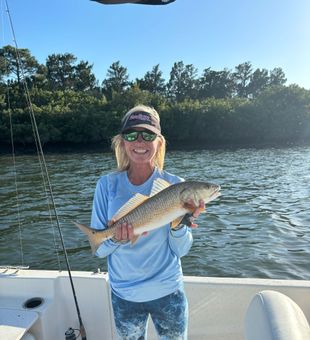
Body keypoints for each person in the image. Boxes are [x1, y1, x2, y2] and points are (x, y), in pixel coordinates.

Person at [91, 105, 204, 339]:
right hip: (125, 294)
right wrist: (117, 240)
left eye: (148, 134)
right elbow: (100, 251)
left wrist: (179, 225)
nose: (139, 141)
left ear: (159, 142)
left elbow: (181, 250)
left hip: (168, 291)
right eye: (131, 135)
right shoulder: (106, 185)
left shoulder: (176, 185)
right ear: (122, 142)